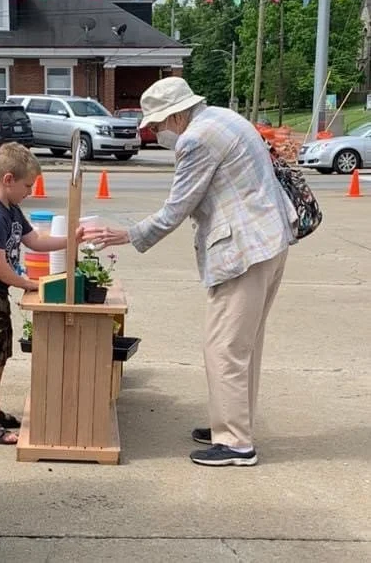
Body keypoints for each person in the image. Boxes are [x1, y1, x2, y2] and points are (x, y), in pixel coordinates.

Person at [87, 77, 297, 467]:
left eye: (158, 124)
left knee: (224, 346)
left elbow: (176, 208)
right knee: (244, 345)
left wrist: (126, 234)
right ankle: (233, 423)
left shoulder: (195, 139)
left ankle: (235, 443)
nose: (156, 132)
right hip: (269, 240)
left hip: (243, 251)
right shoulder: (226, 118)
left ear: (176, 115)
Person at [0, 143, 90, 445]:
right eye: (27, 185)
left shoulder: (11, 208)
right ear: (8, 180)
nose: (30, 191)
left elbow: (34, 240)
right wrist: (28, 283)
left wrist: (71, 240)